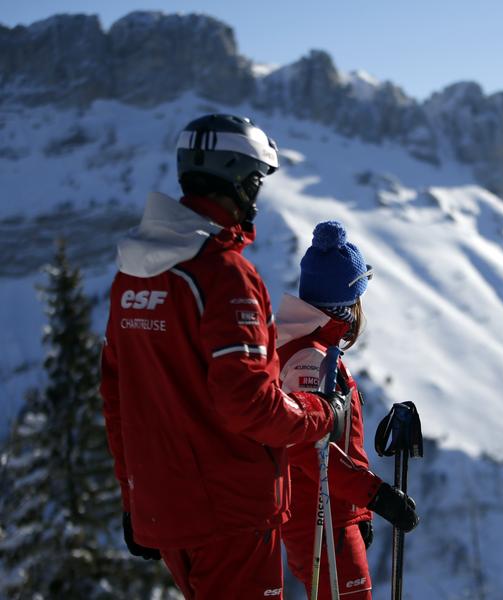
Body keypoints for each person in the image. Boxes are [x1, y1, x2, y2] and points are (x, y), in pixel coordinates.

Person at [100, 114, 347, 600]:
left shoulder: (132, 276)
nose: (256, 196)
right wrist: (322, 414)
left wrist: (135, 500)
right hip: (230, 514)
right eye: (256, 180)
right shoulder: (225, 275)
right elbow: (248, 403)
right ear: (240, 179)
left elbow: (117, 399)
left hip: (165, 509)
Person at [276, 220, 419, 600]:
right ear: (347, 304)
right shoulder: (309, 357)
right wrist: (375, 495)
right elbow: (308, 447)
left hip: (331, 512)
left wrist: (360, 510)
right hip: (319, 516)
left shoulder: (317, 348)